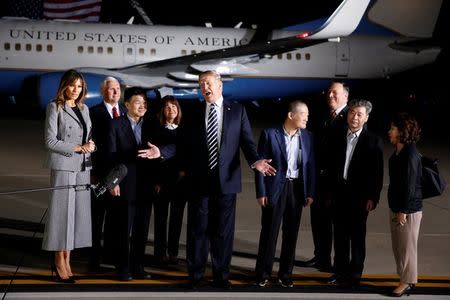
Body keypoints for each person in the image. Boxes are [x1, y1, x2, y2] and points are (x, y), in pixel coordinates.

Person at [178, 70, 276, 289]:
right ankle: (195, 276)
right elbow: (181, 143)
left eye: (209, 83)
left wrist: (256, 161)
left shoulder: (237, 110)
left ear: (220, 86)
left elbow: (247, 142)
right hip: (199, 182)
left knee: (223, 232)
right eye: (201, 83)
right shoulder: (193, 111)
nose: (205, 87)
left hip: (227, 182)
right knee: (197, 231)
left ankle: (221, 276)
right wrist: (162, 153)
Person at [105, 87, 171, 281]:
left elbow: (162, 150)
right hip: (125, 183)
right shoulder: (116, 125)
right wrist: (112, 182)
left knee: (142, 228)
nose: (142, 106)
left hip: (146, 184)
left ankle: (138, 266)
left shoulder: (152, 124)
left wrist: (158, 179)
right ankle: (123, 267)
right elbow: (110, 155)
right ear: (126, 105)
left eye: (144, 103)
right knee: (124, 228)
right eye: (137, 102)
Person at [254, 100, 316, 288]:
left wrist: (310, 191)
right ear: (291, 115)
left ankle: (285, 274)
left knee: (291, 234)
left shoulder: (308, 137)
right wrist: (261, 191)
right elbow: (260, 166)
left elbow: (310, 166)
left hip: (296, 190)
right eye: (303, 114)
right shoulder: (269, 134)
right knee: (269, 232)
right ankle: (262, 273)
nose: (307, 117)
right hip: (275, 189)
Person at [42, 69, 96, 283]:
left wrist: (90, 146)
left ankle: (68, 260)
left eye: (80, 86)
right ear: (65, 85)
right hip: (64, 166)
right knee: (61, 214)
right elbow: (50, 141)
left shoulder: (84, 108)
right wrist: (77, 147)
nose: (76, 90)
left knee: (76, 216)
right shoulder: (55, 106)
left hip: (83, 167)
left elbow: (87, 136)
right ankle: (58, 261)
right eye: (72, 85)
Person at [326, 99, 383, 288]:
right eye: (352, 113)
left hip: (359, 197)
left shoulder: (373, 140)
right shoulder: (337, 135)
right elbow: (331, 166)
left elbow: (377, 172)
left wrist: (373, 197)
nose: (354, 117)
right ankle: (339, 272)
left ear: (366, 118)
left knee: (357, 237)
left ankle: (355, 274)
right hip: (338, 193)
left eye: (359, 114)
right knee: (340, 236)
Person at [304, 81, 349, 271]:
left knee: (337, 226)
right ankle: (321, 256)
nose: (330, 96)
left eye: (335, 93)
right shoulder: (324, 116)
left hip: (338, 182)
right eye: (328, 92)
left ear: (346, 96)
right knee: (319, 220)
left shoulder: (351, 118)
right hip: (319, 180)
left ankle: (340, 265)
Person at [88, 76, 126, 272]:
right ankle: (93, 260)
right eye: (111, 89)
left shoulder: (125, 112)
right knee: (96, 220)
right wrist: (93, 172)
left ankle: (112, 257)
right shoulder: (93, 112)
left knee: (115, 221)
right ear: (103, 92)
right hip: (99, 176)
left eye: (118, 88)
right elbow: (91, 144)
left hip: (119, 177)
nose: (115, 92)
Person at [387, 112, 422, 297]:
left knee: (408, 248)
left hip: (407, 209)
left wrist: (403, 210)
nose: (389, 132)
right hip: (397, 207)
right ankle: (404, 278)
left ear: (402, 132)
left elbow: (410, 186)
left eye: (393, 128)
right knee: (399, 247)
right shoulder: (399, 152)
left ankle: (407, 281)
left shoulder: (410, 154)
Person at [152, 95, 186, 266]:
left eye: (174, 106)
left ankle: (173, 253)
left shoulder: (184, 130)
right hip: (162, 182)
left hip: (179, 182)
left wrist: (183, 171)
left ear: (178, 110)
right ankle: (160, 253)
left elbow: (187, 154)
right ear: (162, 111)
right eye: (167, 107)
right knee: (161, 219)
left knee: (176, 219)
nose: (171, 109)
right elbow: (155, 159)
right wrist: (157, 181)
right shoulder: (157, 130)